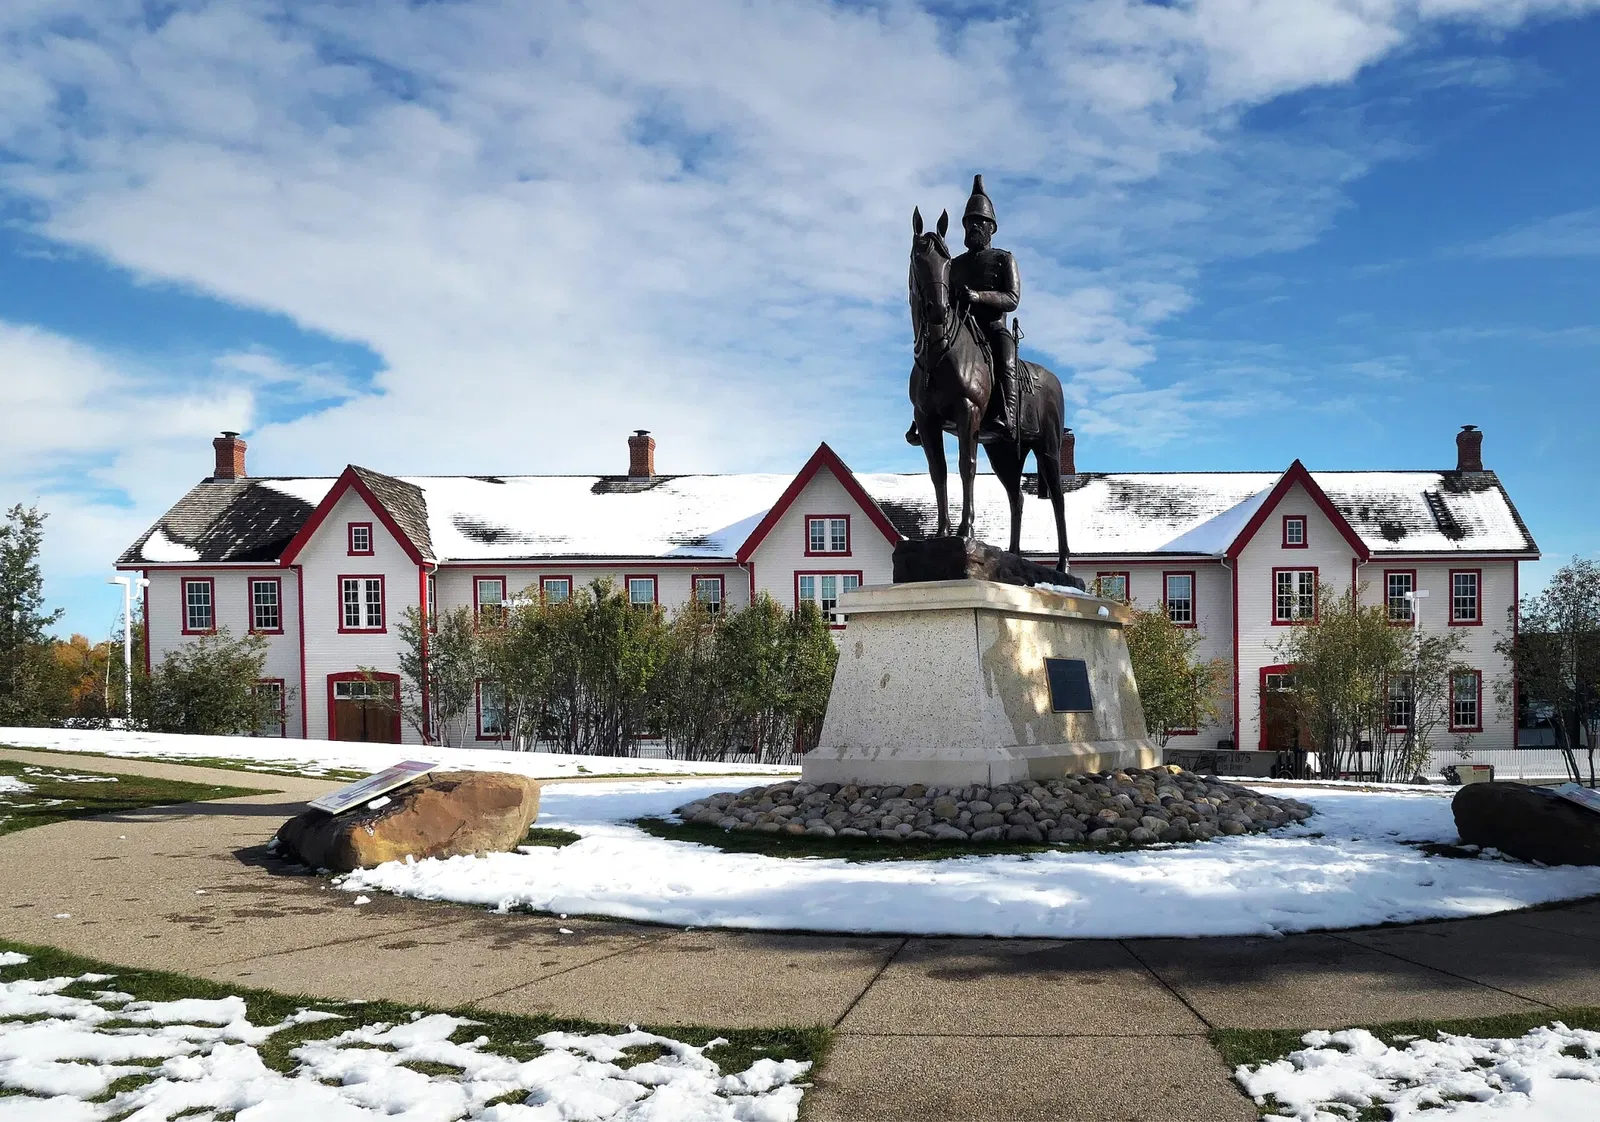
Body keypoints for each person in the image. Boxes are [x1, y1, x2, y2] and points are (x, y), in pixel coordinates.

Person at [907, 174, 1022, 447]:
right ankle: (921, 414)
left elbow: (1012, 298)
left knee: (1006, 357)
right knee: (931, 352)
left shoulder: (1004, 259)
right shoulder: (954, 264)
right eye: (969, 223)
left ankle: (1008, 414)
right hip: (960, 328)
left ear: (991, 228)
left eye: (978, 223)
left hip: (991, 326)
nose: (973, 228)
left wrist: (978, 296)